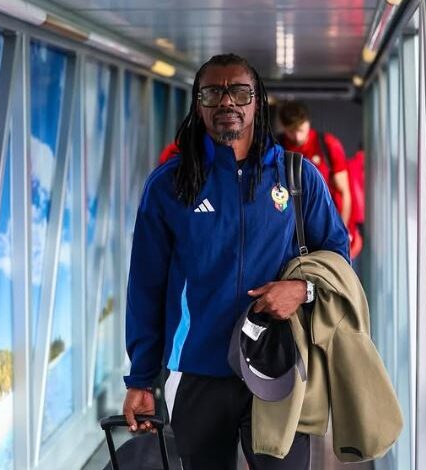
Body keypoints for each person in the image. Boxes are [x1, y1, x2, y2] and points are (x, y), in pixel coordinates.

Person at [123, 53, 349, 470]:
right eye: (213, 92)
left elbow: (338, 259)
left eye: (240, 92)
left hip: (278, 366)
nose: (227, 101)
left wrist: (302, 290)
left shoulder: (296, 177)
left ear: (257, 101)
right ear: (199, 104)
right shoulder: (170, 185)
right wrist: (140, 378)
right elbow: (145, 288)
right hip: (197, 373)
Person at [278, 101, 352, 229]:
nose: (297, 137)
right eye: (291, 131)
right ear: (283, 128)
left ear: (308, 122)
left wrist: (341, 230)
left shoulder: (327, 145)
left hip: (324, 220)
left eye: (300, 130)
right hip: (288, 220)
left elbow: (344, 192)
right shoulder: (276, 147)